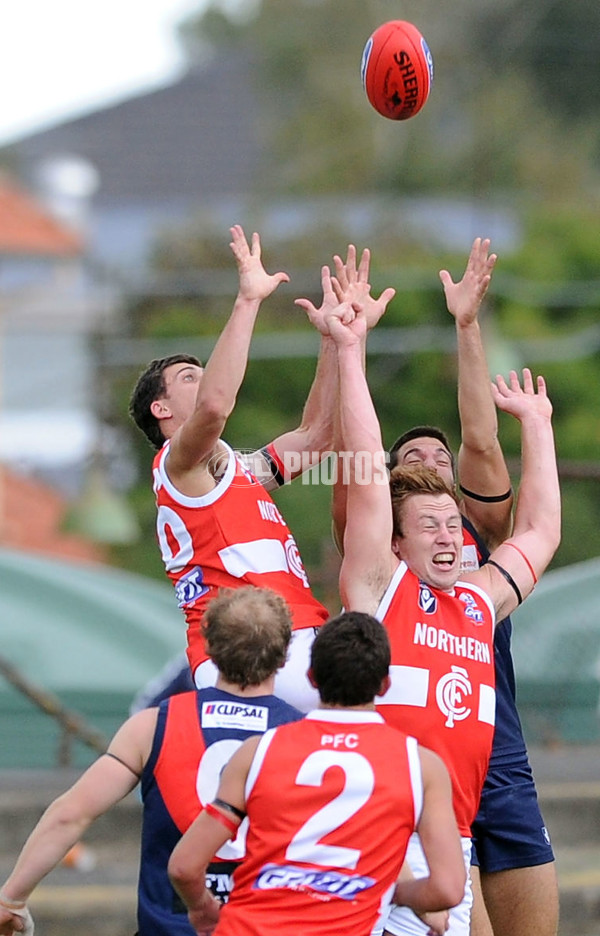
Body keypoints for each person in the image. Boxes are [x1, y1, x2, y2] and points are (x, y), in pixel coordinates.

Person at [332, 237, 559, 936]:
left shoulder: (475, 602)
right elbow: (367, 466)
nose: (448, 533)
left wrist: (540, 427)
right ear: (394, 542)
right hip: (388, 826)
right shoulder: (383, 586)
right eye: (427, 523)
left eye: (451, 521)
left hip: (454, 826)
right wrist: (348, 348)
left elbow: (542, 530)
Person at [0, 586, 303, 936]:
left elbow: (71, 814)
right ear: (284, 655)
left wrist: (12, 899)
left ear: (207, 647)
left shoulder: (154, 726)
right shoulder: (307, 737)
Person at [128, 224, 339, 712]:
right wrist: (248, 300)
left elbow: (319, 436)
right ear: (161, 410)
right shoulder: (179, 464)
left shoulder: (235, 469)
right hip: (249, 650)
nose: (203, 379)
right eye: (188, 376)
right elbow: (214, 406)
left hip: (294, 640)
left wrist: (335, 340)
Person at [167, 610, 466, 936]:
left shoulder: (258, 751)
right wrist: (388, 891)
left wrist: (202, 908)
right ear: (385, 685)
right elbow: (448, 889)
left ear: (311, 677)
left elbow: (184, 866)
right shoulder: (420, 765)